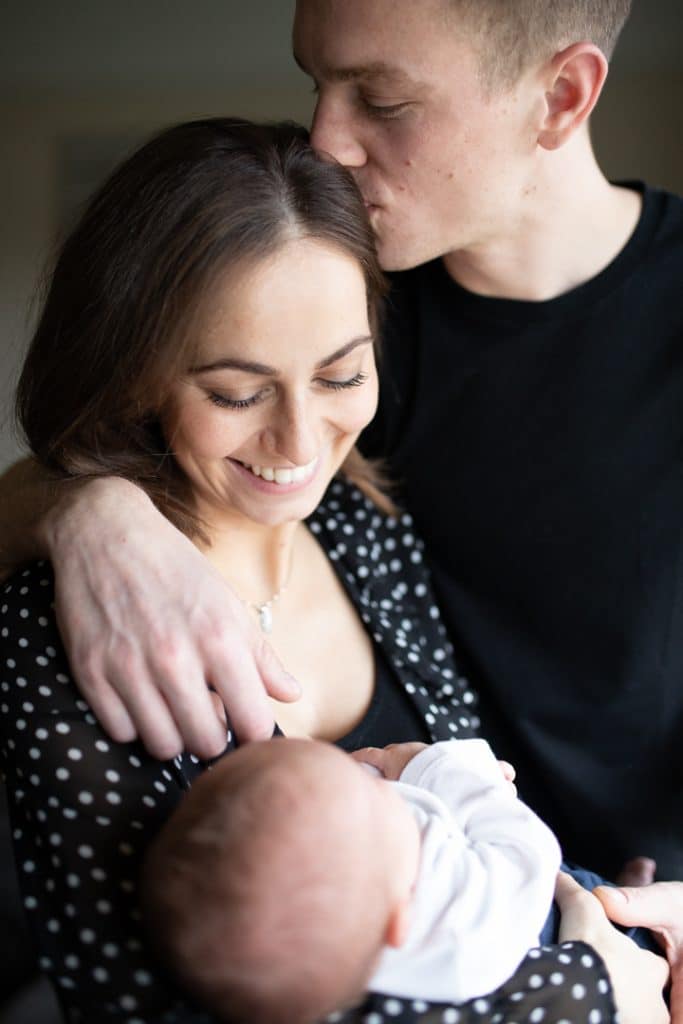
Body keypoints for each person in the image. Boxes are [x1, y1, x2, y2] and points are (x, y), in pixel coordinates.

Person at [0, 117, 657, 1024]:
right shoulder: (72, 622)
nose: (299, 446)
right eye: (236, 393)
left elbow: (470, 829)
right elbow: (146, 1004)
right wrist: (590, 988)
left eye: (342, 376)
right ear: (138, 376)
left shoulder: (362, 527)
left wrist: (615, 921)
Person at [141, 736, 662, 1024]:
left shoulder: (337, 936)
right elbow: (524, 850)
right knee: (595, 897)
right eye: (375, 801)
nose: (377, 786)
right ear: (401, 921)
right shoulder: (456, 923)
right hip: (582, 935)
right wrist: (434, 767)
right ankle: (633, 909)